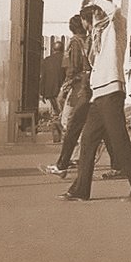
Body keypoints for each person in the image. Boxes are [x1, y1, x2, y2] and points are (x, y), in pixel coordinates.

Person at [62, 0, 131, 202]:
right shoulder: (98, 36)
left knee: (120, 142)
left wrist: (95, 0)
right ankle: (80, 189)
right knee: (87, 141)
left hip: (111, 94)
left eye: (91, 17)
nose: (88, 24)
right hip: (99, 95)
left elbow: (115, 11)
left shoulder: (116, 29)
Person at [44, 14, 92, 177]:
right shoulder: (90, 40)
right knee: (81, 121)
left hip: (77, 86)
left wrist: (63, 90)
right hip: (88, 84)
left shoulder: (74, 43)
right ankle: (75, 155)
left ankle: (74, 155)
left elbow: (72, 69)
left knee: (68, 121)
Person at [40, 41, 64, 140]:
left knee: (54, 114)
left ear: (53, 49)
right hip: (62, 91)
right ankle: (63, 135)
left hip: (50, 92)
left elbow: (43, 77)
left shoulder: (47, 60)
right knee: (64, 113)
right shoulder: (65, 59)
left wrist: (41, 93)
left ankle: (56, 136)